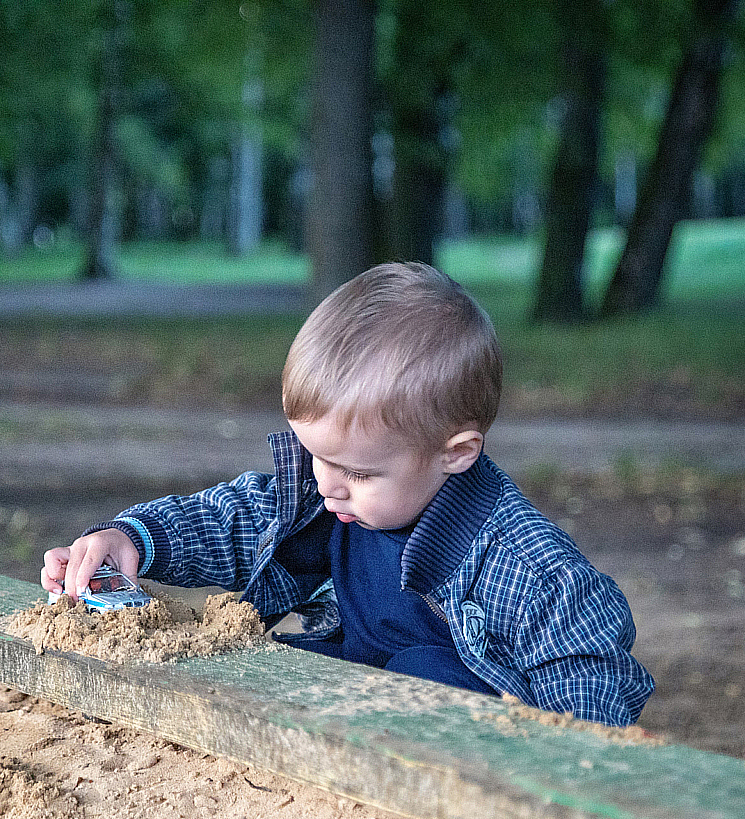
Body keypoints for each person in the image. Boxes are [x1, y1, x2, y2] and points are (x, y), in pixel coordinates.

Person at [41, 262, 654, 727]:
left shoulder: (527, 566)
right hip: (344, 709)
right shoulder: (325, 498)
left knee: (423, 673)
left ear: (456, 452)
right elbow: (229, 521)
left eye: (358, 473)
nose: (327, 483)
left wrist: (548, 759)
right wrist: (131, 539)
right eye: (316, 457)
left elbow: (594, 674)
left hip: (451, 755)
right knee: (254, 661)